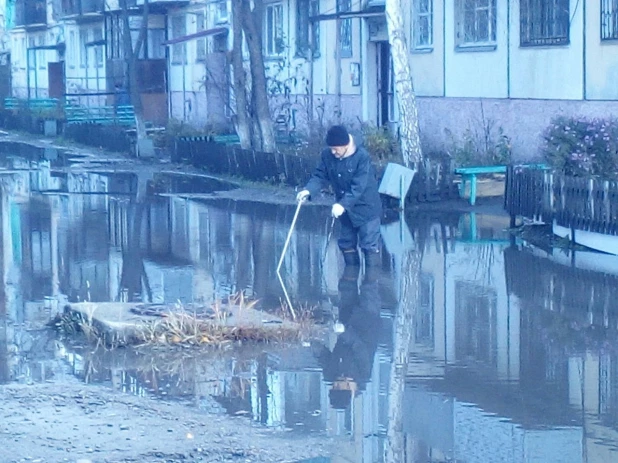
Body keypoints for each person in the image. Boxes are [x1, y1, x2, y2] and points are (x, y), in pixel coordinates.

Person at [297, 125, 382, 268]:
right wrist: (308, 191)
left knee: (369, 246)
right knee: (346, 243)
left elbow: (358, 186)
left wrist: (342, 204)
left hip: (366, 208)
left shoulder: (362, 157)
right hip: (345, 211)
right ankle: (349, 283)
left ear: (346, 145)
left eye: (336, 149)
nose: (333, 152)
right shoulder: (327, 155)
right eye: (331, 148)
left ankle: (371, 283)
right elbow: (320, 175)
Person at [312, 264, 381, 409]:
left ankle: (349, 255)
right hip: (367, 318)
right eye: (339, 385)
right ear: (350, 389)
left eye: (334, 385)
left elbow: (323, 357)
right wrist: (343, 332)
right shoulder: (363, 374)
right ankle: (371, 251)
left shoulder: (331, 375)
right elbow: (359, 347)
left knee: (347, 284)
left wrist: (312, 342)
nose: (335, 381)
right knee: (369, 283)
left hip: (347, 318)